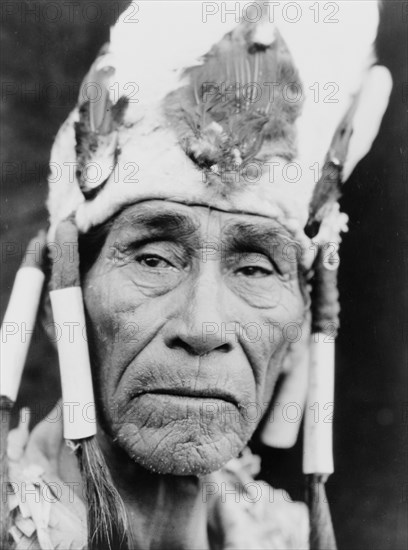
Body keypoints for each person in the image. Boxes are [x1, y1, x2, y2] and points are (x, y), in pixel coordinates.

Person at [0, 2, 392, 549]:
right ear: (54, 304)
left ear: (302, 326)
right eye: (153, 258)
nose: (203, 326)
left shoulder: (275, 537)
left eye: (256, 267)